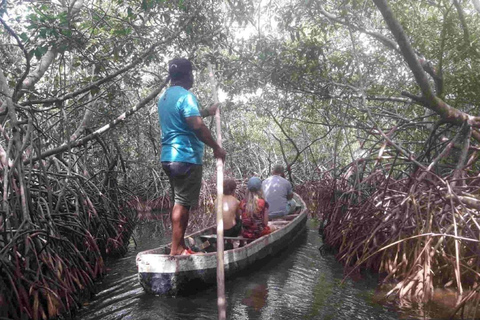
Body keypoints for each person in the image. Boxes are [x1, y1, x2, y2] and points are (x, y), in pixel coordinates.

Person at [158, 57, 226, 255]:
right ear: (188, 75)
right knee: (183, 204)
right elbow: (196, 125)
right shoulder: (186, 96)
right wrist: (216, 148)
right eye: (192, 74)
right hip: (185, 157)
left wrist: (207, 111)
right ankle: (177, 249)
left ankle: (176, 246)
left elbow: (184, 118)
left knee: (178, 201)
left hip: (168, 157)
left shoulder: (164, 97)